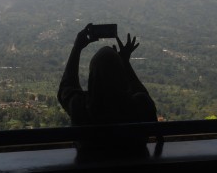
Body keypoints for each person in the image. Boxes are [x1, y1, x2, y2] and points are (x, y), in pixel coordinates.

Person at [58, 24, 157, 158]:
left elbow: (66, 86)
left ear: (92, 77)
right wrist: (125, 63)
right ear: (121, 76)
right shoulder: (140, 106)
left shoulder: (81, 108)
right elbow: (143, 94)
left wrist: (77, 48)